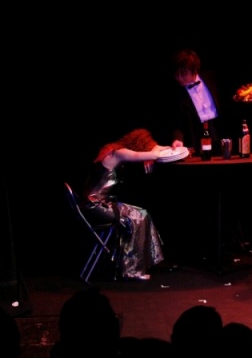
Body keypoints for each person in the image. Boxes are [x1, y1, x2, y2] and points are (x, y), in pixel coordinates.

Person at [81, 128, 168, 281]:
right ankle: (132, 270)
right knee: (137, 218)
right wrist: (152, 152)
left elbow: (157, 150)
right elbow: (154, 154)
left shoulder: (112, 150)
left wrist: (171, 147)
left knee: (142, 212)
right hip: (95, 206)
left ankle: (142, 262)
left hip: (98, 203)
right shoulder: (119, 153)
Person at [164, 48, 225, 156]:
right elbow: (176, 122)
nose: (179, 78)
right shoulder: (175, 93)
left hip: (220, 130)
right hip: (196, 137)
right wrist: (177, 139)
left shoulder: (212, 78)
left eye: (183, 73)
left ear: (195, 70)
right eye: (176, 74)